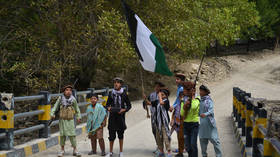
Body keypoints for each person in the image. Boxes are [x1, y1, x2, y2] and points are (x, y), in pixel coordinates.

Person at [50, 85, 82, 157]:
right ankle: (62, 150)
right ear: (64, 91)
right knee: (62, 135)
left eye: (70, 90)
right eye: (67, 90)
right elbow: (55, 107)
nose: (68, 91)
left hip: (70, 120)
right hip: (62, 120)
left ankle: (75, 150)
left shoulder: (73, 99)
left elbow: (77, 109)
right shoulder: (60, 98)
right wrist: (52, 113)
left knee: (72, 135)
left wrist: (78, 116)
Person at [106, 77, 132, 157]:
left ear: (121, 84)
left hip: (120, 117)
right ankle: (110, 152)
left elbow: (129, 106)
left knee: (120, 134)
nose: (116, 84)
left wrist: (124, 110)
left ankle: (121, 152)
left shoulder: (124, 94)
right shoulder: (111, 93)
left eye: (118, 82)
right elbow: (107, 105)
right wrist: (108, 108)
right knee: (111, 135)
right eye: (114, 82)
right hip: (112, 116)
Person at [199, 85, 222, 157]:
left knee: (215, 140)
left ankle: (219, 155)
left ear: (205, 92)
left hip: (209, 124)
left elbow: (211, 110)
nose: (200, 92)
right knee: (202, 141)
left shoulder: (208, 100)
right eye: (199, 90)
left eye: (201, 91)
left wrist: (205, 114)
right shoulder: (199, 100)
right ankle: (204, 155)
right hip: (202, 125)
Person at [143, 81, 165, 154]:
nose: (156, 88)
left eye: (158, 86)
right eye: (155, 86)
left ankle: (161, 147)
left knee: (160, 132)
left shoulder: (162, 94)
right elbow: (146, 103)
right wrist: (147, 112)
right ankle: (158, 146)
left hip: (160, 115)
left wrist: (147, 101)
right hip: (153, 116)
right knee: (154, 131)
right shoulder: (151, 95)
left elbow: (152, 103)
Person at [181, 81, 200, 157]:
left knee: (193, 144)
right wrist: (185, 106)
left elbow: (194, 107)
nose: (183, 91)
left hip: (194, 125)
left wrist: (190, 101)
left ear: (190, 90)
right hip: (185, 125)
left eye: (184, 89)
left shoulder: (197, 99)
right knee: (187, 146)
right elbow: (182, 113)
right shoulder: (183, 99)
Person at [153, 88, 172, 157]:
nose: (161, 95)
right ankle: (161, 151)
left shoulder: (166, 101)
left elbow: (162, 103)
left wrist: (160, 96)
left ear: (166, 96)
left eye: (163, 95)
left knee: (166, 137)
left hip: (164, 123)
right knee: (159, 138)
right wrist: (145, 99)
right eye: (161, 94)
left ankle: (169, 151)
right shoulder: (157, 101)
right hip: (158, 123)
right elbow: (150, 103)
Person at [170, 73, 185, 157]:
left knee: (181, 132)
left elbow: (179, 100)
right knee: (179, 131)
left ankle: (181, 150)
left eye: (178, 79)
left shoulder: (182, 89)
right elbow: (177, 100)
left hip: (181, 112)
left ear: (182, 80)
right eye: (176, 79)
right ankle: (181, 148)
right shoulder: (179, 88)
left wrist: (173, 106)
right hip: (177, 111)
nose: (176, 80)